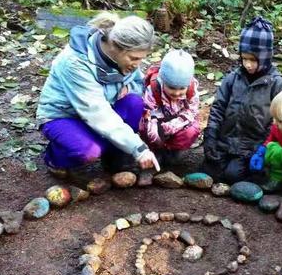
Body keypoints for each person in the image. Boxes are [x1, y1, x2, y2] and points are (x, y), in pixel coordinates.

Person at [36, 12, 160, 176]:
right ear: (115, 45)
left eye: (141, 58)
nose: (138, 64)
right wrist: (139, 149)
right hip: (63, 116)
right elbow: (97, 113)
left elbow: (138, 85)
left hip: (102, 111)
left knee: (134, 103)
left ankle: (114, 158)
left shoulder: (126, 57)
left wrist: (129, 89)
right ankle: (55, 157)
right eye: (134, 58)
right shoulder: (75, 62)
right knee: (89, 151)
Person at [202, 16, 282, 183]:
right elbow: (218, 107)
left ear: (264, 57)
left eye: (253, 60)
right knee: (210, 169)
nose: (248, 64)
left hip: (254, 144)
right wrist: (211, 134)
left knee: (233, 175)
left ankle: (266, 171)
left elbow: (279, 122)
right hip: (227, 140)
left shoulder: (276, 84)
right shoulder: (234, 78)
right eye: (244, 58)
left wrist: (262, 148)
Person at [139, 49, 200, 164]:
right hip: (158, 121)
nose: (177, 93)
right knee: (148, 129)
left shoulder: (192, 89)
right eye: (171, 88)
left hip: (179, 121)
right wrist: (157, 136)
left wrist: (171, 126)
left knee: (192, 129)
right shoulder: (153, 89)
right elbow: (148, 115)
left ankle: (173, 149)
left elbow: (191, 112)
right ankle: (155, 150)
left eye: (182, 88)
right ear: (163, 81)